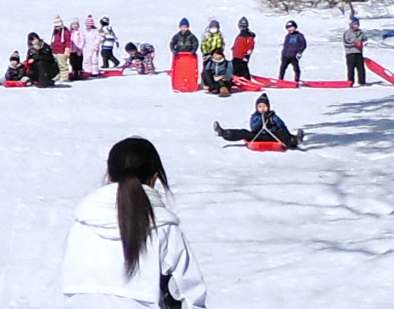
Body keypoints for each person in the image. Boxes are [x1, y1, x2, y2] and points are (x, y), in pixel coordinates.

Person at [60, 137, 208, 309]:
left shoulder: (81, 225)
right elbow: (190, 294)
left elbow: (63, 291)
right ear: (154, 178)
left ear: (109, 174)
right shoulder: (163, 228)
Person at [213, 93, 305, 149]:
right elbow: (254, 127)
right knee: (244, 132)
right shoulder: (255, 116)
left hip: (272, 136)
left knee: (282, 134)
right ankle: (224, 133)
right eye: (260, 107)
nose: (262, 109)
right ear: (257, 108)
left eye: (264, 106)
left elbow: (281, 126)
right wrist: (261, 120)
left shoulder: (273, 116)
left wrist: (274, 123)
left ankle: (295, 140)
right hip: (258, 135)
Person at [343, 17, 367, 86]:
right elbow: (346, 42)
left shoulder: (360, 32)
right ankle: (350, 82)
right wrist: (355, 44)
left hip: (359, 52)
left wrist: (364, 42)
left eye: (357, 24)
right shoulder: (347, 33)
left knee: (361, 68)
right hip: (350, 52)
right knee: (351, 68)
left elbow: (364, 39)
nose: (356, 26)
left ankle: (362, 82)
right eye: (355, 24)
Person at [52, 15, 73, 82]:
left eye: (58, 26)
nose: (57, 27)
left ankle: (64, 77)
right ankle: (59, 75)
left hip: (62, 51)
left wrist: (67, 48)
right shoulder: (55, 32)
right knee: (56, 64)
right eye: (55, 26)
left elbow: (68, 41)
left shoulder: (65, 31)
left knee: (62, 65)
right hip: (55, 50)